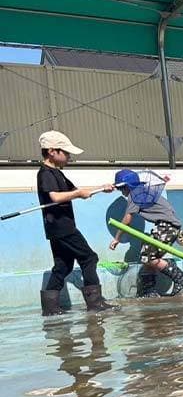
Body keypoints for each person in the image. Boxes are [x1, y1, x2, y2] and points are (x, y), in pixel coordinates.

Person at [36, 130, 117, 315]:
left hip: (57, 228)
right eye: (65, 152)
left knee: (63, 266)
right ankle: (95, 304)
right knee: (89, 258)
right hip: (62, 226)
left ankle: (50, 309)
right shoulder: (45, 173)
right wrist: (77, 194)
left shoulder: (58, 173)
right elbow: (55, 197)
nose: (69, 156)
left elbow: (77, 190)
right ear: (51, 151)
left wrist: (101, 188)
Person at [108, 169, 183, 297]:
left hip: (166, 226)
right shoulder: (144, 191)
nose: (121, 192)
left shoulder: (134, 195)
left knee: (146, 257)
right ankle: (148, 291)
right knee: (148, 257)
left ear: (127, 187)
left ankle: (179, 276)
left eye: (121, 188)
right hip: (169, 226)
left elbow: (127, 218)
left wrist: (117, 238)